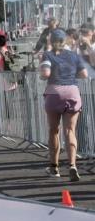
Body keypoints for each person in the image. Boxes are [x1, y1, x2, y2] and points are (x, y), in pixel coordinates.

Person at [39, 29, 88, 181]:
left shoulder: (48, 55)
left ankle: (54, 167)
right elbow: (84, 74)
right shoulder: (74, 55)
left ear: (51, 41)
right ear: (65, 41)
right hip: (72, 92)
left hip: (54, 92)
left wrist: (41, 72)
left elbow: (46, 74)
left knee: (54, 130)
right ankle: (72, 165)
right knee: (70, 130)